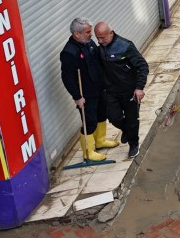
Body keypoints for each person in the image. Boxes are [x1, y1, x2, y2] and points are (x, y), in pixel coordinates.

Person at [60, 17, 117, 162]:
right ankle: (88, 152)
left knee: (101, 114)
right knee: (89, 121)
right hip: (85, 94)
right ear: (77, 34)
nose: (91, 35)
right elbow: (67, 78)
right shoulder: (69, 52)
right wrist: (77, 96)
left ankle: (100, 141)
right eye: (87, 32)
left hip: (99, 87)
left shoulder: (89, 43)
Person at [94, 22, 149, 159]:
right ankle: (126, 130)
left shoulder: (125, 46)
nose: (100, 41)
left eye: (102, 38)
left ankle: (133, 144)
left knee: (132, 120)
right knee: (113, 117)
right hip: (111, 91)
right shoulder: (100, 48)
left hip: (130, 91)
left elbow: (143, 66)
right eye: (97, 38)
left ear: (111, 33)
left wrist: (139, 88)